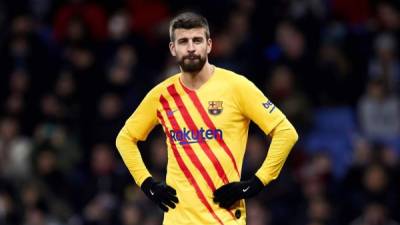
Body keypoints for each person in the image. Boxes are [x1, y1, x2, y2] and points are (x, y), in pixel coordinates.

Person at [115, 12, 298, 225]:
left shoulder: (236, 86)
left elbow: (286, 132)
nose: (191, 47)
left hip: (224, 219)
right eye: (183, 41)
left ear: (209, 45)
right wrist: (146, 183)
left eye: (197, 40)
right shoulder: (161, 95)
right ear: (173, 49)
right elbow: (125, 138)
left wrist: (257, 182)